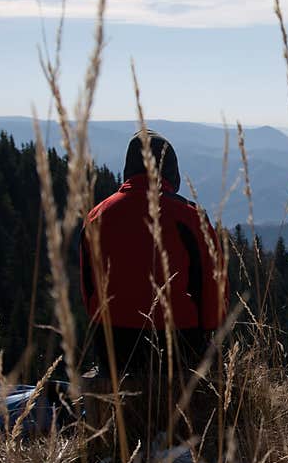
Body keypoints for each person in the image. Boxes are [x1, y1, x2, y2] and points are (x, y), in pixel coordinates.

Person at [79, 130, 228, 376]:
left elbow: (89, 289)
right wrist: (209, 330)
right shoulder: (190, 218)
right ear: (171, 170)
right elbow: (214, 288)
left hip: (112, 345)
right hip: (180, 343)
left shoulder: (97, 217)